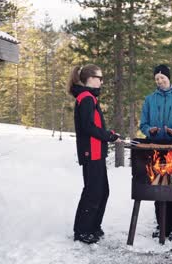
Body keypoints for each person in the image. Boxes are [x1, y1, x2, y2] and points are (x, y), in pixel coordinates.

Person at [69, 64, 120, 244]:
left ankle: (93, 227)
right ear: (90, 79)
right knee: (93, 191)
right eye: (99, 78)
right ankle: (82, 231)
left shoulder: (89, 98)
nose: (101, 81)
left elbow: (94, 125)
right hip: (91, 152)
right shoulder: (86, 98)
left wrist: (109, 135)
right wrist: (109, 137)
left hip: (97, 152)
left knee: (102, 191)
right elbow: (88, 127)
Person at [139, 64, 172, 242]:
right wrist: (149, 130)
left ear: (169, 78)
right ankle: (162, 224)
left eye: (163, 78)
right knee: (159, 187)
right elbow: (142, 123)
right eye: (157, 79)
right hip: (156, 148)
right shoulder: (149, 100)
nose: (160, 81)